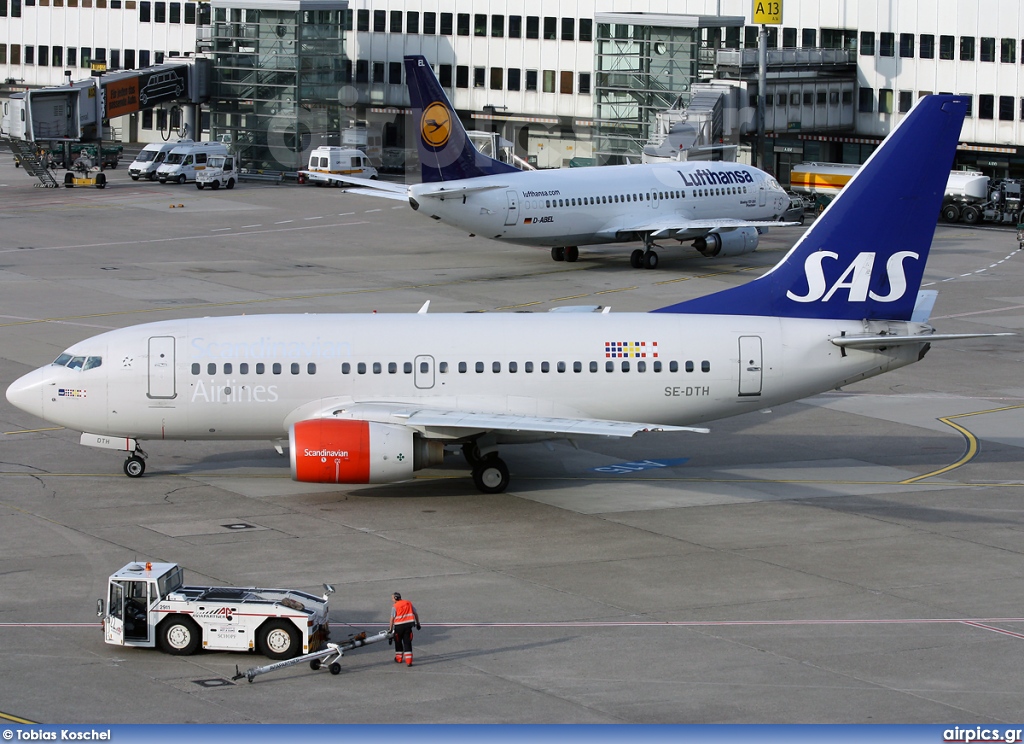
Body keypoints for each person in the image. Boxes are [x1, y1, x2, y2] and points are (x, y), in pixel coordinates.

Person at [388, 592, 421, 666]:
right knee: (407, 643)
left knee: (398, 642)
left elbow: (392, 618)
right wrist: (418, 623)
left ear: (395, 598)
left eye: (392, 598)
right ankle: (409, 661)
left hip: (399, 627)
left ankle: (399, 658)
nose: (392, 599)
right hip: (408, 626)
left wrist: (390, 629)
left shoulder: (395, 606)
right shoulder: (408, 603)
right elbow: (415, 613)